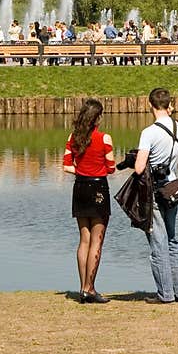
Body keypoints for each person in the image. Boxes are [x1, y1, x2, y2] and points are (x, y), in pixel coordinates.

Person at [134, 87, 178, 304]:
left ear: (150, 105)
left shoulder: (149, 132)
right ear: (169, 105)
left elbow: (140, 168)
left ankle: (165, 294)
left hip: (156, 192)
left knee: (157, 242)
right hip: (174, 189)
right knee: (172, 239)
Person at [63, 98, 116, 304]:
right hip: (98, 188)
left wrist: (82, 169)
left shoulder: (73, 137)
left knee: (83, 240)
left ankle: (82, 287)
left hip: (79, 188)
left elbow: (67, 165)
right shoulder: (104, 139)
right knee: (97, 241)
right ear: (98, 118)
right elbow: (110, 167)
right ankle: (90, 288)